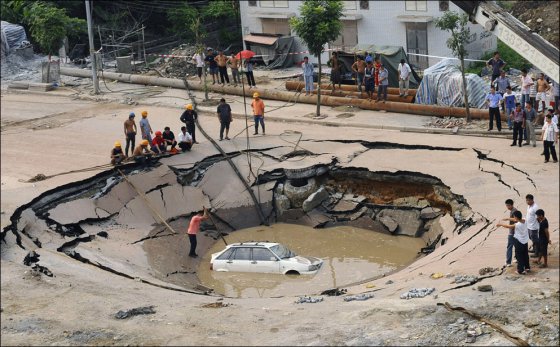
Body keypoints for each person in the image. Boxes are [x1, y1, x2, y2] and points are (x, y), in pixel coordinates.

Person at [496, 210, 530, 275]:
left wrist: (500, 224)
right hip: (525, 241)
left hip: (519, 241)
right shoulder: (525, 220)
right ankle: (527, 267)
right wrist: (507, 218)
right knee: (525, 254)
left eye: (515, 217)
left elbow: (508, 226)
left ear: (516, 217)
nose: (514, 218)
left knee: (519, 256)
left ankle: (520, 270)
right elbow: (515, 219)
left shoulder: (517, 225)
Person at [501, 199, 518, 267]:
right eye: (506, 205)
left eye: (508, 205)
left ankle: (508, 262)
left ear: (511, 205)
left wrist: (507, 219)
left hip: (512, 231)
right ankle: (517, 258)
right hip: (516, 231)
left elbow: (516, 220)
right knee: (516, 246)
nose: (507, 207)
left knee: (509, 247)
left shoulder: (514, 211)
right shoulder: (514, 210)